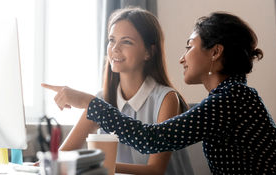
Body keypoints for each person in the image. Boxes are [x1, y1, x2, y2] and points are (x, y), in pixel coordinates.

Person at [43, 11, 276, 174]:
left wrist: (90, 103)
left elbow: (152, 139)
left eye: (190, 47)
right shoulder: (229, 97)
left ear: (215, 53)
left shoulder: (233, 98)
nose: (182, 58)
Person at [42, 7, 194, 175]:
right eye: (112, 40)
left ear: (149, 52)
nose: (115, 48)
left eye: (126, 41)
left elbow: (154, 170)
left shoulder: (166, 99)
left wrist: (96, 166)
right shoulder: (102, 99)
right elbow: (63, 155)